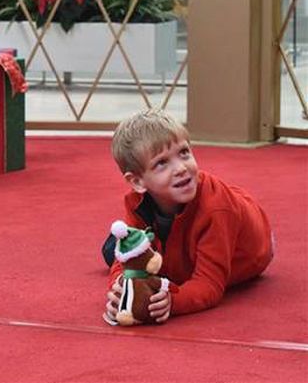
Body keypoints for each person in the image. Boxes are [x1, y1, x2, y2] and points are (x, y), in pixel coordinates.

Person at [102, 109, 273, 323]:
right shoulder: (136, 203)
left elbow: (209, 284)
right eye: (162, 163)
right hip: (178, 242)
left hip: (246, 246)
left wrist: (172, 300)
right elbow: (126, 263)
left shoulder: (217, 209)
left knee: (129, 254)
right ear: (137, 182)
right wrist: (120, 290)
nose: (181, 168)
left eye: (184, 153)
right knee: (118, 250)